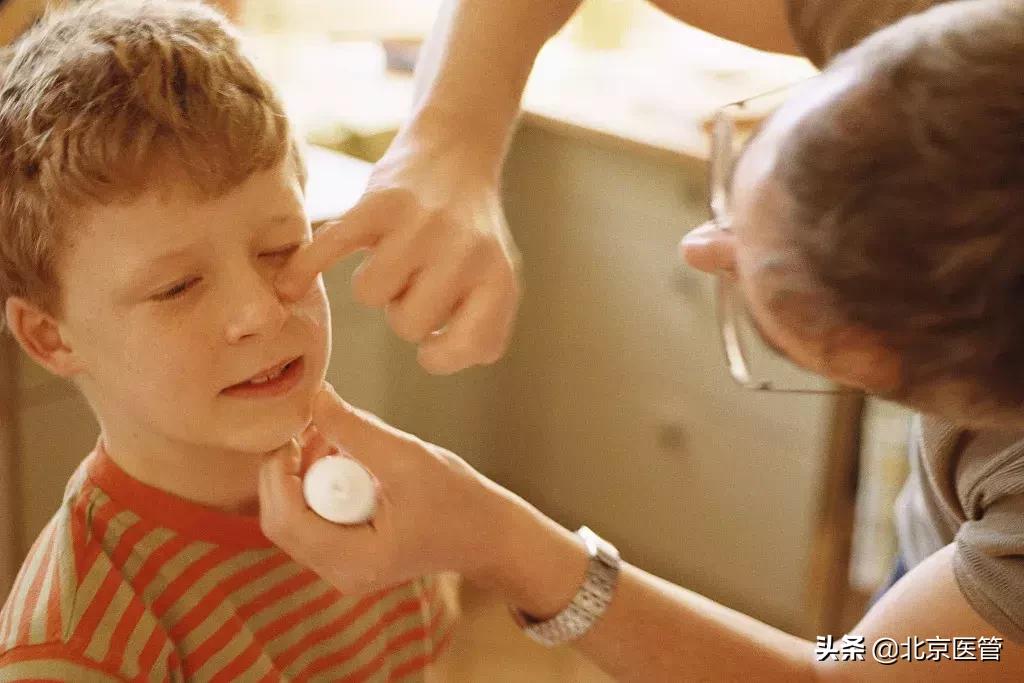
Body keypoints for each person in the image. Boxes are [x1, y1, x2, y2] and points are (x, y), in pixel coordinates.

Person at [262, 0, 1024, 680]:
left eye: (758, 293)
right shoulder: (961, 65)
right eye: (751, 162)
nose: (700, 244)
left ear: (868, 366)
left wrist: (501, 542)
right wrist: (450, 139)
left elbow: (850, 673)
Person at [0, 1, 453, 679]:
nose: (260, 312)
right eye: (177, 286)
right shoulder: (78, 643)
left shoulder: (389, 500)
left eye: (280, 247)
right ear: (50, 335)